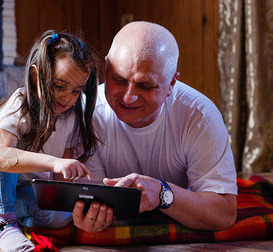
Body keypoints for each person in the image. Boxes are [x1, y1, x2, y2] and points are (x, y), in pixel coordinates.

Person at [72, 21, 237, 232]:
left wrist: (162, 193)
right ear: (106, 68)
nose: (128, 97)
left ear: (171, 85)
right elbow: (88, 200)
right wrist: (87, 216)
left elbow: (224, 213)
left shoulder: (199, 115)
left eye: (145, 85)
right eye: (119, 80)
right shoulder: (86, 113)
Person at [0, 30, 99, 251]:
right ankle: (3, 224)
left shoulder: (71, 117)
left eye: (76, 90)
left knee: (61, 215)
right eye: (59, 86)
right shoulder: (19, 105)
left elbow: (60, 181)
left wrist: (68, 203)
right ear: (35, 75)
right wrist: (52, 162)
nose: (67, 97)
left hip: (17, 194)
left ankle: (0, 218)